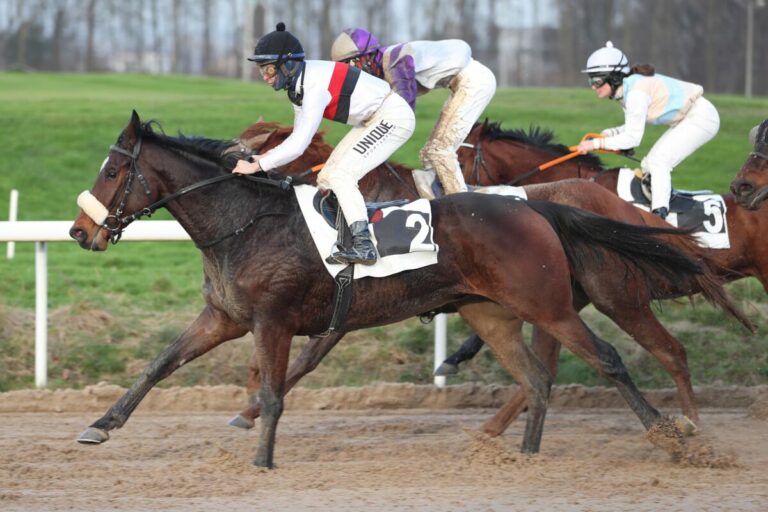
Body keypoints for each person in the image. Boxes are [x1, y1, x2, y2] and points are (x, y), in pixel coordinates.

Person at [234, 23, 415, 266]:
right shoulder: (298, 86)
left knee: (341, 176)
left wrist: (259, 166)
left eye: (268, 69)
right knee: (327, 178)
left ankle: (363, 245)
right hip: (375, 118)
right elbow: (300, 136)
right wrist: (260, 161)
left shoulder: (312, 87)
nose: (265, 77)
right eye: (262, 70)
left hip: (392, 117)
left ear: (288, 65)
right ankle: (361, 225)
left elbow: (298, 145)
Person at [330, 28, 496, 195]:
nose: (351, 72)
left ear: (365, 57)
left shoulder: (396, 60)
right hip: (462, 82)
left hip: (475, 82)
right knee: (428, 156)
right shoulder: (383, 66)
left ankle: (461, 204)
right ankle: (441, 198)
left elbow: (404, 110)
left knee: (439, 150)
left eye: (351, 65)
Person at [576, 41, 720, 219]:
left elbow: (633, 138)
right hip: (688, 118)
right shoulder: (625, 90)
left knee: (659, 162)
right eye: (590, 80)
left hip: (702, 117)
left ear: (613, 78)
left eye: (596, 80)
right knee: (648, 164)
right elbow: (632, 126)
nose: (592, 86)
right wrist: (610, 134)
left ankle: (659, 217)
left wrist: (594, 144)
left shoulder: (635, 93)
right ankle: (664, 206)